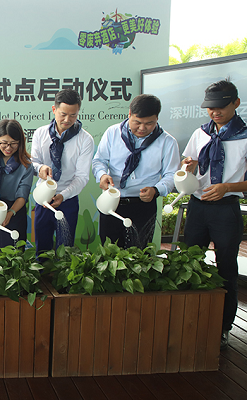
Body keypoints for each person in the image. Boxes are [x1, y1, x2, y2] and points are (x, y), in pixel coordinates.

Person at [181, 79, 247, 350]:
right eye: (210, 107)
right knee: (188, 262)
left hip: (226, 208)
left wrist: (227, 187)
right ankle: (188, 321)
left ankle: (223, 326)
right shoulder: (201, 133)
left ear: (236, 103)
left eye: (221, 106)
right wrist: (188, 166)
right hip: (198, 206)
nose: (215, 112)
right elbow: (188, 163)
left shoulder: (245, 136)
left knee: (226, 268)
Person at [92, 94, 180, 248]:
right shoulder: (113, 133)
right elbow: (99, 160)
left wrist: (156, 190)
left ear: (157, 119)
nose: (142, 128)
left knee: (139, 252)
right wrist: (102, 175)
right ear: (129, 114)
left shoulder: (167, 142)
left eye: (149, 123)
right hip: (112, 201)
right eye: (137, 122)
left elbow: (171, 174)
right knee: (110, 250)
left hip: (143, 205)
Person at [31, 89, 94, 252]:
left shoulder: (85, 140)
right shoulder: (40, 133)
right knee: (42, 248)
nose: (67, 120)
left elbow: (81, 177)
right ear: (54, 109)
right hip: (43, 198)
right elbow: (33, 163)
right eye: (63, 114)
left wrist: (63, 195)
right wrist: (40, 168)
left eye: (73, 115)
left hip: (68, 199)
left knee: (65, 249)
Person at [0, 119, 34, 250]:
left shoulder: (26, 164)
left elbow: (22, 195)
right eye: (4, 143)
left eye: (13, 143)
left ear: (20, 142)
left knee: (15, 250)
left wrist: (10, 213)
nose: (8, 148)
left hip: (15, 210)